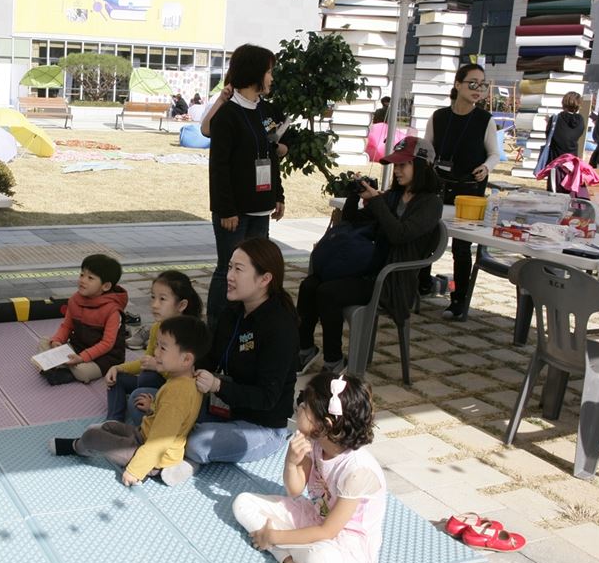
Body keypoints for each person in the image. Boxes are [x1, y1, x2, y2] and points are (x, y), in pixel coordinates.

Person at [297, 137, 443, 373]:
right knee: (309, 285)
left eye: (403, 165)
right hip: (365, 267)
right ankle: (304, 349)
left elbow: (399, 234)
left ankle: (334, 361)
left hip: (390, 280)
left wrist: (377, 201)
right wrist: (354, 194)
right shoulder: (393, 196)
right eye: (395, 165)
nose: (397, 171)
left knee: (328, 293)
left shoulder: (431, 204)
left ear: (423, 165)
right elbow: (352, 220)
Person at [232, 372, 384, 563]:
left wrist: (274, 537)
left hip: (345, 545)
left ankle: (296, 558)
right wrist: (291, 462)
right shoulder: (314, 441)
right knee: (243, 503)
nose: (299, 406)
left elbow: (327, 532)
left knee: (318, 562)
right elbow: (294, 490)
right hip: (314, 517)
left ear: (325, 424)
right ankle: (291, 561)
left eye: (306, 405)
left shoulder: (357, 471)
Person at [185, 238, 300, 481]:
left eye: (238, 269)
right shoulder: (233, 312)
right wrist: (179, 365)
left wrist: (218, 386)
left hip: (262, 427)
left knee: (197, 441)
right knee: (148, 399)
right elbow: (211, 358)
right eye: (229, 267)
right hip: (225, 410)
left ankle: (185, 450)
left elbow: (267, 398)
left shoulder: (279, 326)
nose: (229, 276)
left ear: (264, 279)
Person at [49, 315, 208, 488]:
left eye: (163, 348)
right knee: (109, 426)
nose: (156, 352)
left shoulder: (177, 393)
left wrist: (135, 471)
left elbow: (160, 441)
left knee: (92, 436)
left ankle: (77, 446)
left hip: (154, 457)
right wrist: (152, 407)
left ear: (186, 359)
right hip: (144, 436)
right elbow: (177, 418)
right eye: (157, 345)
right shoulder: (185, 381)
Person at [206, 44, 286, 327]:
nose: (272, 78)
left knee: (254, 269)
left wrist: (278, 195)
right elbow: (219, 167)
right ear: (254, 73)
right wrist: (226, 209)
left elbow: (272, 155)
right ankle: (216, 328)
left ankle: (245, 324)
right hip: (234, 212)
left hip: (261, 208)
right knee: (228, 269)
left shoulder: (266, 111)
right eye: (269, 71)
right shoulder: (228, 114)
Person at [418, 63, 499, 320]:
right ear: (457, 84)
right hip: (439, 187)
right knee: (426, 236)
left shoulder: (485, 120)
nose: (478, 89)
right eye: (472, 83)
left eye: (482, 84)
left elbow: (494, 154)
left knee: (462, 248)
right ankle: (422, 284)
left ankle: (459, 300)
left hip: (469, 191)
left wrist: (486, 167)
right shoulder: (439, 116)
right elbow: (427, 148)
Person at [104, 271, 202, 425]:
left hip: (175, 392)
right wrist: (118, 368)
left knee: (140, 391)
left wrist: (157, 367)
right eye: (153, 297)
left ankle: (150, 423)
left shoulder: (189, 333)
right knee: (117, 379)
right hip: (157, 382)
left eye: (162, 299)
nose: (154, 305)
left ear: (181, 305)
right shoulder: (157, 327)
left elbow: (187, 380)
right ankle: (113, 422)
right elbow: (146, 361)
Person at [38, 254, 128, 385]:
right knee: (45, 341)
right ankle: (61, 367)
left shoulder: (113, 310)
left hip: (104, 357)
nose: (83, 280)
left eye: (90, 278)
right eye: (81, 275)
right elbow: (67, 326)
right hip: (78, 347)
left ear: (106, 286)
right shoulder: (75, 300)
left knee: (83, 372)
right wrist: (58, 340)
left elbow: (107, 344)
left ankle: (60, 369)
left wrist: (82, 358)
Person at [543, 92, 585, 192]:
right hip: (572, 158)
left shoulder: (555, 119)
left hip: (556, 159)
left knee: (554, 188)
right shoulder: (580, 120)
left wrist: (548, 123)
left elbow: (549, 137)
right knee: (568, 187)